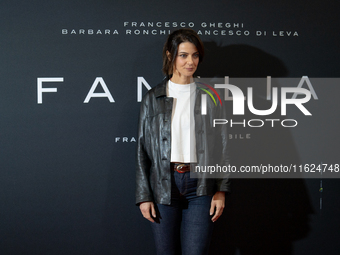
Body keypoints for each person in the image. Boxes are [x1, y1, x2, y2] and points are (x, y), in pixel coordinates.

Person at [136, 28, 230, 255]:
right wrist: (143, 196)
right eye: (184, 55)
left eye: (195, 55)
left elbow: (223, 145)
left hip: (201, 185)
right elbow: (142, 149)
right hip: (162, 185)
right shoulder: (153, 97)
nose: (191, 62)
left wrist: (221, 190)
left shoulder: (211, 95)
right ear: (170, 56)